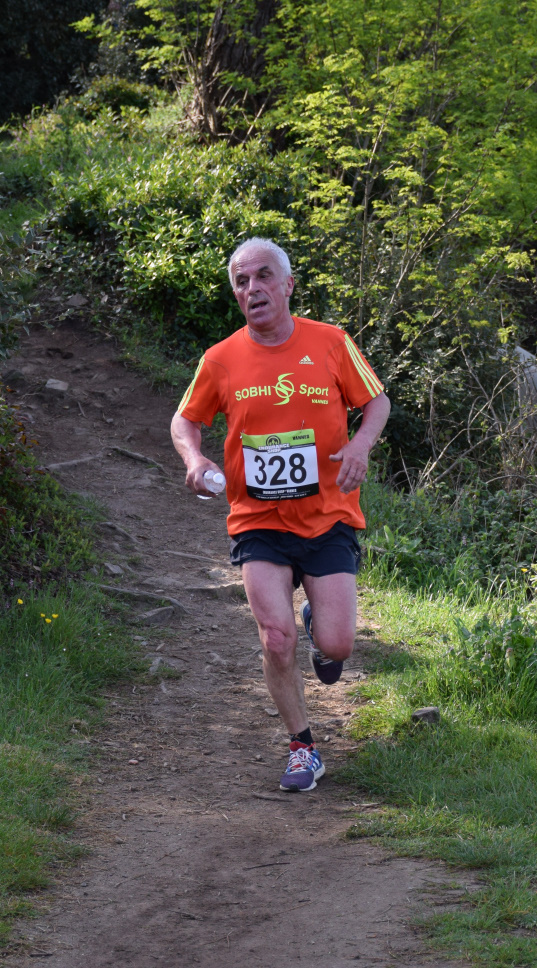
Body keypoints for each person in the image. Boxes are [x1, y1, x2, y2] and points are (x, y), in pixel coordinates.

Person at [170, 238, 391, 792]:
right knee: (275, 637)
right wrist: (194, 458)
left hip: (328, 515)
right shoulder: (221, 359)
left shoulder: (331, 342)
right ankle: (302, 747)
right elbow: (184, 420)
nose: (253, 289)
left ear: (288, 284)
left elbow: (377, 401)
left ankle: (320, 627)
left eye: (264, 276)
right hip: (258, 520)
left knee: (338, 646)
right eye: (241, 282)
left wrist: (361, 445)